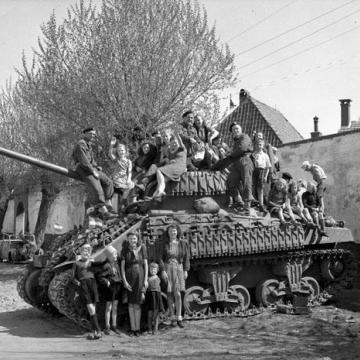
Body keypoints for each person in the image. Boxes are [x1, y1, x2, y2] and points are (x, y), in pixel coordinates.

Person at [72, 127, 116, 219]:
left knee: (108, 182)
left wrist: (96, 167)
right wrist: (93, 171)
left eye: (94, 134)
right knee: (97, 188)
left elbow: (91, 160)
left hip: (91, 168)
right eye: (90, 134)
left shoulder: (89, 145)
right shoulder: (81, 144)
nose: (93, 136)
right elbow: (84, 161)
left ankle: (107, 205)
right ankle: (104, 211)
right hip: (82, 168)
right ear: (84, 134)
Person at [159, 224, 190, 329]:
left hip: (179, 268)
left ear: (177, 232)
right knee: (169, 294)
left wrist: (186, 270)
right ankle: (172, 317)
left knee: (178, 293)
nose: (173, 233)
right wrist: (162, 270)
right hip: (168, 269)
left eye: (174, 231)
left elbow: (186, 257)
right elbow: (160, 258)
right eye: (171, 231)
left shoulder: (183, 243)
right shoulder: (165, 244)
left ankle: (179, 317)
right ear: (168, 233)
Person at [72, 244, 103, 340]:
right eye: (84, 251)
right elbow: (73, 277)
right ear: (80, 252)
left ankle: (93, 331)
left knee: (93, 309)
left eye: (87, 251)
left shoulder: (92, 262)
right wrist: (77, 283)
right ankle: (98, 330)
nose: (86, 252)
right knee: (91, 308)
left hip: (92, 285)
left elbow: (99, 271)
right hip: (83, 285)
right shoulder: (76, 263)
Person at [120, 232, 148, 336]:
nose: (133, 240)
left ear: (137, 239)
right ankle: (132, 328)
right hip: (129, 277)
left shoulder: (142, 248)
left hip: (140, 276)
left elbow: (146, 265)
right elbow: (122, 268)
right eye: (131, 239)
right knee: (130, 304)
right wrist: (125, 281)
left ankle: (138, 329)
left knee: (137, 304)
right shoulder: (125, 251)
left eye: (134, 238)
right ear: (128, 240)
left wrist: (145, 280)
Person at [226, 123, 254, 214]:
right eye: (233, 130)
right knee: (230, 180)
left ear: (241, 129)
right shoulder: (235, 141)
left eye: (237, 129)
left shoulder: (245, 137)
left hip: (245, 161)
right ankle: (239, 201)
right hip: (236, 162)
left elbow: (241, 148)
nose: (235, 130)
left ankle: (247, 207)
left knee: (246, 182)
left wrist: (229, 152)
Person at [96, 245, 122, 335]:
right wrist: (107, 282)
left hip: (117, 287)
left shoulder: (116, 264)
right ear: (108, 256)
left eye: (115, 255)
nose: (115, 256)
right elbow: (100, 276)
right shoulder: (106, 266)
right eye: (113, 255)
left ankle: (114, 325)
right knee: (109, 307)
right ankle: (107, 326)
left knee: (115, 307)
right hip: (110, 288)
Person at [152, 133, 187, 199]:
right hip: (173, 167)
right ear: (170, 144)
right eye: (173, 143)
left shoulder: (182, 149)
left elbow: (180, 142)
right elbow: (164, 161)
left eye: (176, 142)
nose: (174, 144)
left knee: (159, 170)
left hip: (179, 166)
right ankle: (158, 195)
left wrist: (177, 134)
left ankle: (160, 190)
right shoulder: (170, 153)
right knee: (163, 180)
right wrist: (168, 160)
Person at [108, 140, 134, 208]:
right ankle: (114, 206)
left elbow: (129, 171)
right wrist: (111, 145)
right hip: (116, 178)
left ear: (125, 151)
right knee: (114, 190)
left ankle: (124, 202)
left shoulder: (128, 161)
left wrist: (129, 179)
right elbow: (110, 154)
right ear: (117, 152)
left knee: (130, 186)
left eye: (122, 150)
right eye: (119, 151)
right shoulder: (116, 159)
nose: (121, 152)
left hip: (124, 178)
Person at [252, 139, 271, 212]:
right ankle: (254, 202)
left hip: (261, 171)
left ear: (263, 146)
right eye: (257, 144)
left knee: (260, 189)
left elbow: (268, 167)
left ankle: (261, 205)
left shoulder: (265, 155)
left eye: (260, 144)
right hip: (254, 171)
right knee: (253, 187)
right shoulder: (253, 154)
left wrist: (265, 176)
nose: (259, 146)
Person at [145, 262, 164, 335]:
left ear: (157, 270)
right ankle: (149, 329)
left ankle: (155, 329)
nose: (153, 271)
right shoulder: (147, 279)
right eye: (151, 269)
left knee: (156, 315)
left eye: (154, 269)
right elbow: (145, 287)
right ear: (149, 270)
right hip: (150, 297)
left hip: (156, 297)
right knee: (149, 315)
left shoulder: (158, 278)